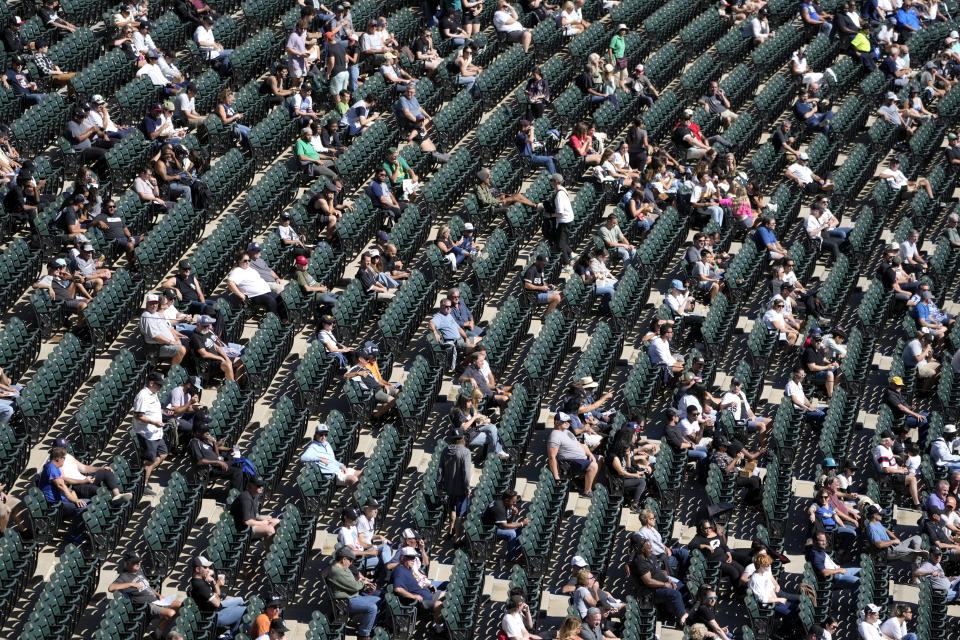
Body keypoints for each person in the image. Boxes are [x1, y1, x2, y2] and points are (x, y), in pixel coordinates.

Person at [109, 551, 182, 635]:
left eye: (139, 561)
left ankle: (157, 634)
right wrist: (131, 584)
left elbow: (148, 587)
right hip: (147, 605)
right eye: (135, 562)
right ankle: (160, 634)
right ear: (128, 563)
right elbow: (111, 588)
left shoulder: (138, 571)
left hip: (156, 599)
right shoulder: (124, 577)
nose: (138, 564)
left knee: (180, 605)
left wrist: (158, 595)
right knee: (171, 613)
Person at [628, 538, 687, 625]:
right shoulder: (639, 562)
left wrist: (669, 580)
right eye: (649, 548)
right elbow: (648, 581)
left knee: (683, 587)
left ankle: (684, 611)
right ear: (642, 549)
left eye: (651, 547)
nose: (651, 549)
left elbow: (660, 572)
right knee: (675, 594)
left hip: (662, 585)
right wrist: (665, 584)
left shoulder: (651, 556)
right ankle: (683, 621)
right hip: (650, 593)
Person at [326, 546, 380, 640]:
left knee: (378, 600)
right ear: (344, 559)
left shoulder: (343, 567)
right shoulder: (338, 571)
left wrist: (365, 585)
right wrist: (364, 583)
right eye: (350, 560)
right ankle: (363, 635)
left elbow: (354, 584)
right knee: (372, 608)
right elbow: (355, 586)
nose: (351, 563)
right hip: (345, 601)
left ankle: (366, 626)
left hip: (352, 596)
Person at [189, 556, 247, 634]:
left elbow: (217, 593)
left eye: (208, 567)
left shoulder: (200, 578)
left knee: (240, 600)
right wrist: (218, 584)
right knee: (244, 609)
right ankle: (231, 635)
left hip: (214, 608)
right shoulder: (201, 586)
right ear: (197, 569)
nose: (208, 569)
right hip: (213, 616)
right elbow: (218, 603)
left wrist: (213, 582)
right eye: (205, 567)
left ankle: (231, 629)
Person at [547, 412, 599, 496]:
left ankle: (589, 483)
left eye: (568, 421)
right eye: (564, 421)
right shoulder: (554, 436)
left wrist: (590, 454)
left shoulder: (567, 432)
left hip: (581, 457)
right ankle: (587, 491)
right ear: (556, 422)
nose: (568, 423)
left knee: (600, 459)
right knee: (593, 466)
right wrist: (556, 476)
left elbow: (580, 444)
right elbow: (552, 457)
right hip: (570, 462)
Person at [133, 372, 168, 493]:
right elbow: (138, 416)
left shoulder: (153, 393)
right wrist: (154, 422)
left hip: (156, 433)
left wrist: (164, 412)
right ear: (151, 383)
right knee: (150, 460)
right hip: (146, 434)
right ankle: (143, 484)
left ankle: (143, 476)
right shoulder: (143, 396)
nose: (160, 388)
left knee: (163, 454)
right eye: (158, 385)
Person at [227, 252, 289, 322]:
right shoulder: (237, 271)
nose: (247, 262)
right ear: (239, 261)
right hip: (253, 296)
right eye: (245, 261)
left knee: (279, 298)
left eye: (249, 260)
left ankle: (284, 320)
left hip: (265, 291)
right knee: (271, 301)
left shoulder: (250, 269)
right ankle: (272, 323)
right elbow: (230, 282)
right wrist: (240, 294)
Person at [392, 546, 445, 622]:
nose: (413, 560)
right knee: (439, 604)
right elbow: (398, 589)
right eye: (410, 557)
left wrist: (429, 585)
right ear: (402, 558)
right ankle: (438, 627)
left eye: (414, 558)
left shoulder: (409, 569)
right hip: (421, 602)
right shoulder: (399, 570)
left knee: (446, 594)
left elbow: (418, 582)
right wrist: (413, 596)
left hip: (429, 594)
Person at [301, 422, 361, 487]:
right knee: (354, 479)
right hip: (332, 475)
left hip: (338, 470)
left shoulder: (327, 444)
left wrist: (341, 466)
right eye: (321, 434)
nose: (323, 437)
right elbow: (303, 457)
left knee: (361, 473)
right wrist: (320, 459)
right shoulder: (313, 447)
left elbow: (333, 460)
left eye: (326, 435)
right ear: (316, 434)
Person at [188, 423, 244, 490]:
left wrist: (214, 443)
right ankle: (237, 494)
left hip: (217, 464)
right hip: (209, 471)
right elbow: (199, 461)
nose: (208, 433)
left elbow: (216, 454)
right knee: (237, 472)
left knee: (239, 461)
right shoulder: (194, 443)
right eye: (205, 431)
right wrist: (218, 462)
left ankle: (237, 487)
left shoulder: (204, 440)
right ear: (198, 432)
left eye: (207, 431)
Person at [230, 475, 279, 552]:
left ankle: (271, 546)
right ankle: (269, 556)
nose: (261, 487)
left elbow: (256, 515)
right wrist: (263, 523)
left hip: (252, 522)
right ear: (251, 485)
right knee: (270, 530)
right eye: (258, 485)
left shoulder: (255, 495)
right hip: (243, 529)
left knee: (276, 522)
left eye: (262, 485)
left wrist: (266, 520)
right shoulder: (246, 498)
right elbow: (247, 522)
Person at [440, 429, 472, 538]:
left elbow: (440, 470)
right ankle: (457, 539)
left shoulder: (445, 450)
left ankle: (450, 530)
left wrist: (439, 487)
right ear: (462, 438)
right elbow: (466, 473)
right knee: (460, 514)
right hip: (461, 488)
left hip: (448, 487)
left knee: (452, 508)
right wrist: (468, 488)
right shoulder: (465, 452)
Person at [140, 293, 188, 365]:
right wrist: (171, 342)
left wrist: (177, 339)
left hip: (167, 342)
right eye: (151, 303)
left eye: (156, 303)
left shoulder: (157, 314)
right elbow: (156, 337)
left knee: (188, 342)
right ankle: (172, 372)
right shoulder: (146, 316)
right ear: (147, 304)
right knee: (181, 350)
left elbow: (169, 329)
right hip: (156, 347)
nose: (154, 305)